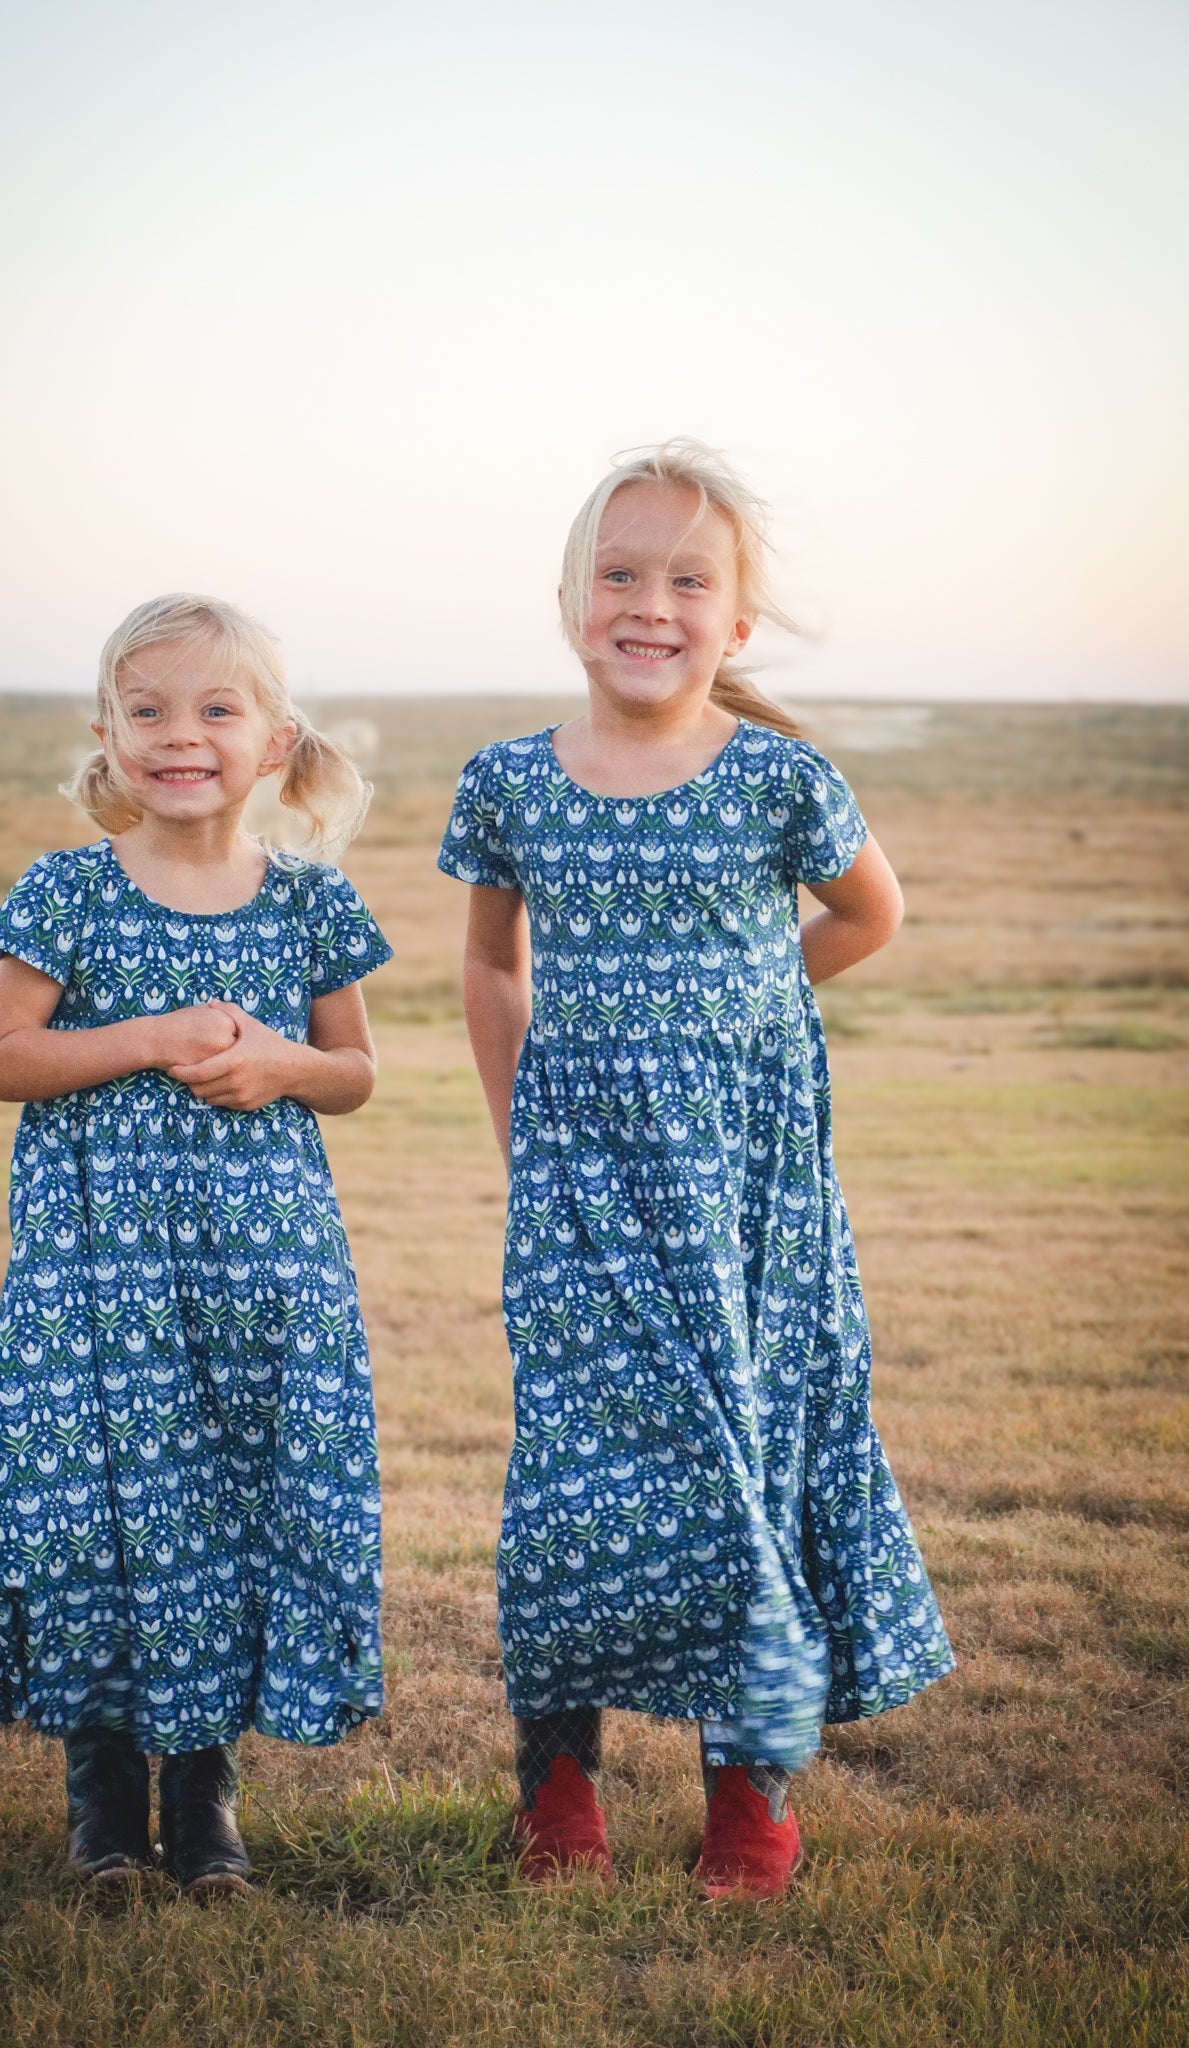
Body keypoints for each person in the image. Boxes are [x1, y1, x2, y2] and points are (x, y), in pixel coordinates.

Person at [438, 441, 953, 1899]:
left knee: (745, 1458)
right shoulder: (509, 785)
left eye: (686, 579)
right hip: (580, 1186)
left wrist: (739, 1017)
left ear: (732, 624)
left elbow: (869, 914)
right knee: (571, 1471)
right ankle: (555, 1778)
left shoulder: (778, 780)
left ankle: (751, 1782)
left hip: (750, 1192)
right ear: (567, 599)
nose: (647, 602)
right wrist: (519, 1127)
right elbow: (487, 960)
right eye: (618, 571)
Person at [0, 594, 391, 1896]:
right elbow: (0, 1060)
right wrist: (152, 1036)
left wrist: (280, 1062)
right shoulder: (66, 891)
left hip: (259, 1278)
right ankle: (104, 1819)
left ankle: (205, 1814)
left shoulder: (310, 904)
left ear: (273, 742)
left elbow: (357, 1071)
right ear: (108, 733)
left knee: (224, 1514)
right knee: (94, 1514)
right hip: (96, 1282)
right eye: (147, 710)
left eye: (216, 709)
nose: (180, 735)